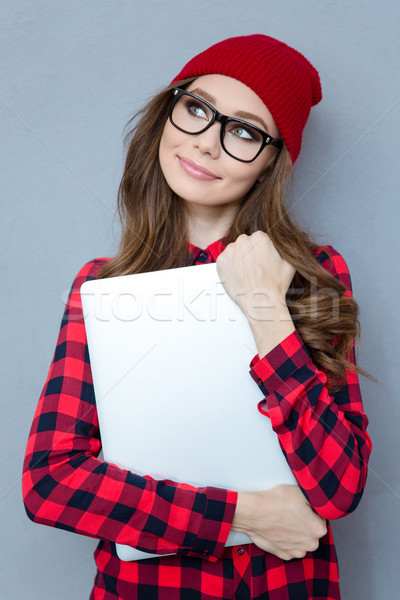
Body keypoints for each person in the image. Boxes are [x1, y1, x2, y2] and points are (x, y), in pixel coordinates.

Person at [22, 34, 373, 600]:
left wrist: (266, 311)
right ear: (170, 112)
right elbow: (51, 484)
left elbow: (339, 486)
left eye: (243, 131)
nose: (208, 144)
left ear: (269, 162)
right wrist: (242, 516)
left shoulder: (314, 276)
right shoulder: (102, 288)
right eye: (198, 109)